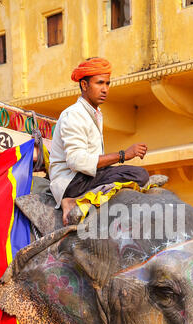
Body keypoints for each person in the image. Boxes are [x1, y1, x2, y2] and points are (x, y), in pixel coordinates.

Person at [49, 57, 150, 226]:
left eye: (107, 84)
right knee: (139, 175)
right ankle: (72, 201)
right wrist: (123, 155)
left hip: (86, 176)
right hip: (73, 181)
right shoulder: (74, 114)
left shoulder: (95, 113)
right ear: (84, 85)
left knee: (137, 174)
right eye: (100, 83)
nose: (105, 89)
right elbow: (77, 161)